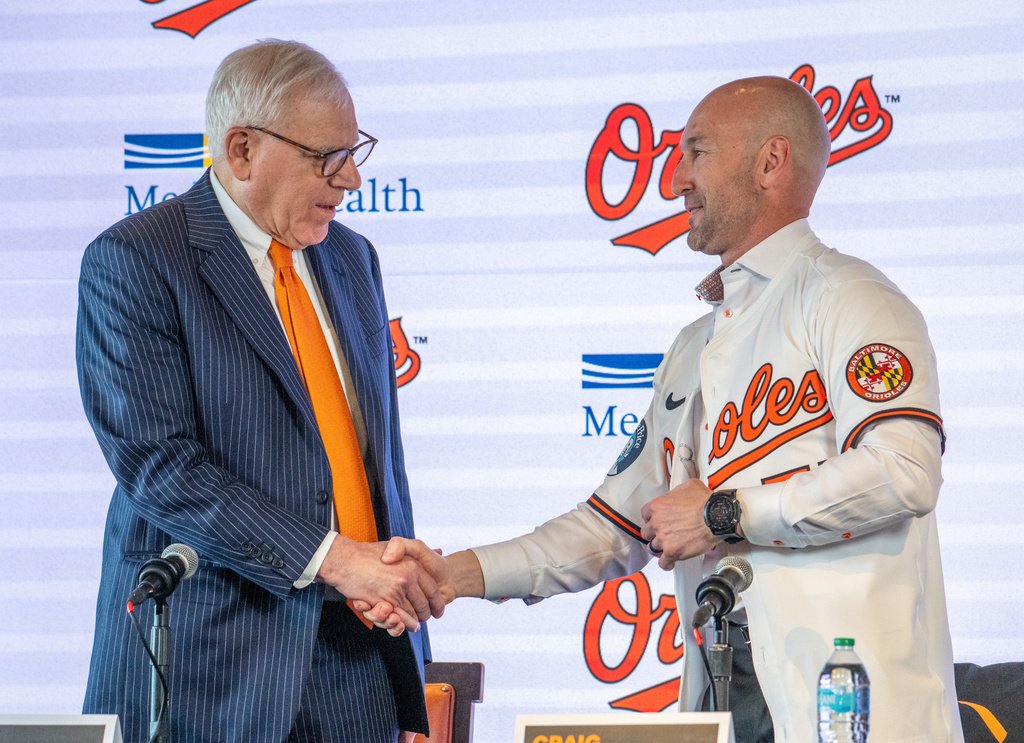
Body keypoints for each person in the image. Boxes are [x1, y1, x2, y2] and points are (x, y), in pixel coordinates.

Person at [364, 77, 966, 742]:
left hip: (849, 708)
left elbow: (903, 470)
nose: (674, 178)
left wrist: (721, 510)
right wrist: (455, 574)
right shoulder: (692, 347)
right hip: (725, 698)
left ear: (770, 162)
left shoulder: (853, 298)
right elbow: (611, 526)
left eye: (696, 152)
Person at [77, 40, 444, 743]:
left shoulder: (351, 257)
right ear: (240, 150)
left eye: (356, 150)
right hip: (209, 670)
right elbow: (163, 469)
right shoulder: (135, 261)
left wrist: (395, 602)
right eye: (327, 156)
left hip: (357, 666)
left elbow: (372, 462)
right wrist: (337, 559)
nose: (352, 178)